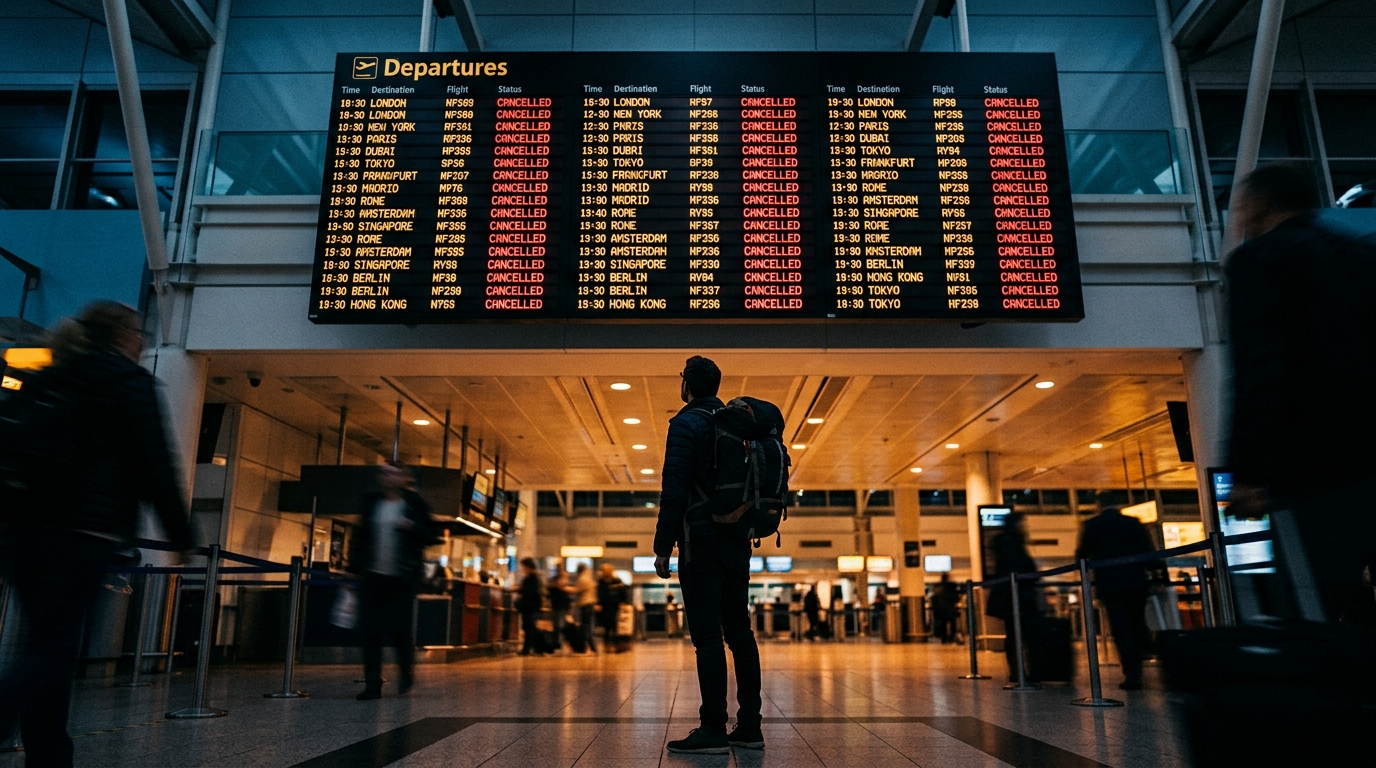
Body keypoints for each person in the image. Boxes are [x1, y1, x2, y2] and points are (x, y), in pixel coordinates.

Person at [0, 301, 192, 766]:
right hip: (83, 533)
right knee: (50, 649)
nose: (144, 340)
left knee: (46, 646)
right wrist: (181, 535)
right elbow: (155, 466)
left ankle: (50, 756)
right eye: (139, 332)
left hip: (25, 535)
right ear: (124, 336)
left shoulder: (50, 376)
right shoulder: (127, 383)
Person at [1226, 161, 1376, 627]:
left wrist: (1249, 473)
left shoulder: (1261, 260)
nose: (1240, 214)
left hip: (1320, 466)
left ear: (1262, 203)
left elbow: (1262, 367)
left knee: (1313, 607)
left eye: (1244, 203)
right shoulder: (1361, 255)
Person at [654, 356, 763, 755]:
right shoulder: (736, 421)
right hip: (737, 539)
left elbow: (674, 487)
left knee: (707, 637)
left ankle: (713, 728)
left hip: (700, 540)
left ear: (688, 385)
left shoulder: (686, 423)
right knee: (739, 631)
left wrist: (663, 545)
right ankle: (750, 725)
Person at [348, 462, 439, 700]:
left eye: (393, 473)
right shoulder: (372, 502)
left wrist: (411, 526)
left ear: (404, 478)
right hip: (373, 576)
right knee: (371, 631)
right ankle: (372, 684)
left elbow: (431, 535)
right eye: (385, 472)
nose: (387, 477)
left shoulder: (415, 504)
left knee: (400, 629)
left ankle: (406, 674)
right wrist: (352, 568)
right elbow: (359, 536)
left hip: (402, 577)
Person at [1076, 500, 1159, 689]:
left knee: (1121, 629)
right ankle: (1139, 662)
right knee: (1137, 623)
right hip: (1136, 583)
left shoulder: (1092, 525)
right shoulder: (1133, 523)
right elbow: (1148, 550)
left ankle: (1132, 674)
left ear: (1099, 506)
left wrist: (1085, 572)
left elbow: (1082, 554)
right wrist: (1156, 573)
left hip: (1110, 585)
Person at [985, 512, 1038, 682]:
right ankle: (1020, 671)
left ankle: (1017, 670)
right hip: (1017, 593)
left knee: (1014, 632)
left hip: (1008, 592)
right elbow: (1020, 566)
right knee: (1020, 633)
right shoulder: (1013, 541)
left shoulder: (1001, 540)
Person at [516, 558, 547, 656]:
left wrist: (519, 590)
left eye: (523, 567)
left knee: (529, 628)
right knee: (530, 628)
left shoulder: (533, 578)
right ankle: (535, 649)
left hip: (530, 607)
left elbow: (531, 592)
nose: (522, 569)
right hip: (530, 606)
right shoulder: (532, 578)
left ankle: (530, 649)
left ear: (528, 567)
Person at [596, 563, 626, 652]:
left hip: (614, 605)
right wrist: (598, 603)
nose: (601, 572)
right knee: (607, 626)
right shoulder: (601, 582)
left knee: (613, 625)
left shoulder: (617, 581)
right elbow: (599, 594)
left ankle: (616, 646)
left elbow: (623, 593)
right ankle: (608, 646)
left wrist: (623, 602)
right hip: (605, 606)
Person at [573, 563, 598, 653]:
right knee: (588, 626)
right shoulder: (589, 577)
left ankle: (589, 647)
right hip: (590, 604)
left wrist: (565, 588)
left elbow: (576, 590)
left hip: (585, 605)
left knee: (585, 627)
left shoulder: (583, 578)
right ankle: (591, 647)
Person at [930, 574, 961, 644]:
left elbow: (934, 598)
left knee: (943, 624)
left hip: (942, 610)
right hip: (950, 609)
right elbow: (956, 598)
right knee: (953, 623)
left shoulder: (939, 588)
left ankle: (944, 638)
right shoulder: (951, 588)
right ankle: (952, 637)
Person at [547, 570, 572, 653]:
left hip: (561, 608)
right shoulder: (556, 590)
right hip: (558, 608)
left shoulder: (561, 590)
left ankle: (557, 643)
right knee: (558, 626)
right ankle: (556, 644)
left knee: (559, 626)